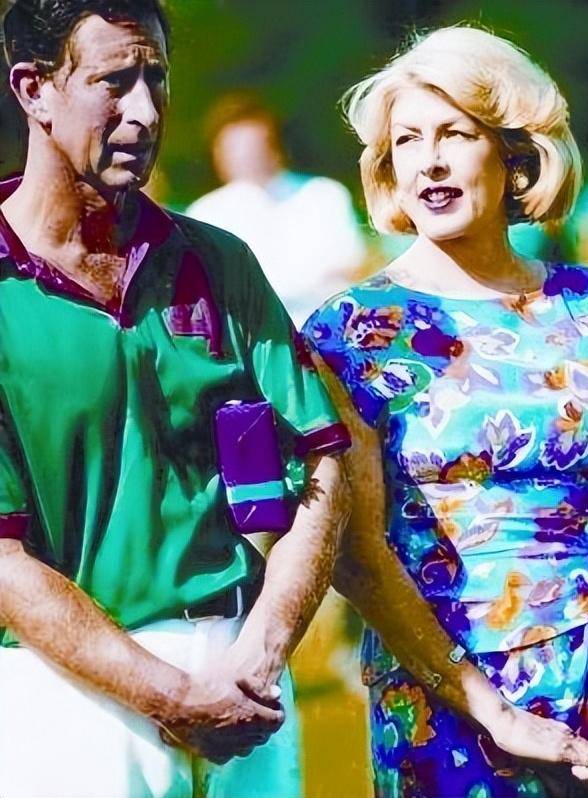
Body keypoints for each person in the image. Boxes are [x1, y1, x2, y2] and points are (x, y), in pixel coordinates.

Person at [0, 2, 351, 797]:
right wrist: (168, 695)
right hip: (64, 695)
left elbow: (322, 461)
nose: (147, 111)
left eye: (156, 77)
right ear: (34, 89)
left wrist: (263, 648)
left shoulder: (219, 261)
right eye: (114, 81)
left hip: (246, 681)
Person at [302, 26, 588, 797]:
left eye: (454, 134)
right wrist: (492, 711)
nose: (429, 161)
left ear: (513, 154)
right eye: (407, 141)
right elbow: (355, 554)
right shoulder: (350, 334)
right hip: (445, 705)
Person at [186, 94, 368, 328]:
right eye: (235, 150)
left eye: (254, 147)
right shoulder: (205, 213)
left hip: (325, 328)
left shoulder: (323, 195)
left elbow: (349, 268)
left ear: (275, 146)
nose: (247, 158)